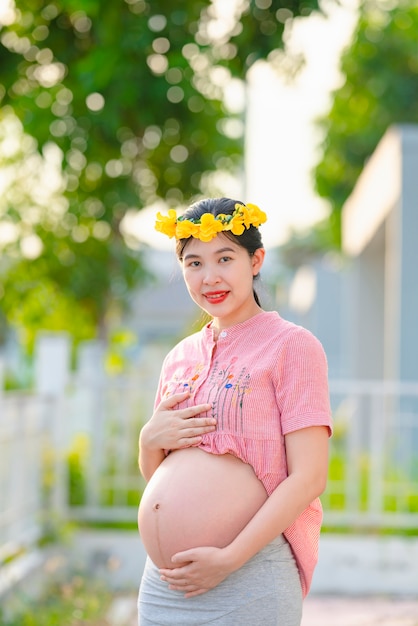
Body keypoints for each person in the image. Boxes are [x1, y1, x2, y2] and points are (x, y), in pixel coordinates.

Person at [137, 197, 332, 626]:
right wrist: (148, 441)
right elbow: (161, 475)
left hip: (248, 575)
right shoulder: (180, 357)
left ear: (256, 260)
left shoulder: (291, 346)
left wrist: (228, 558)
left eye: (225, 258)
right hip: (164, 583)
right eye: (194, 264)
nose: (210, 278)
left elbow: (310, 477)